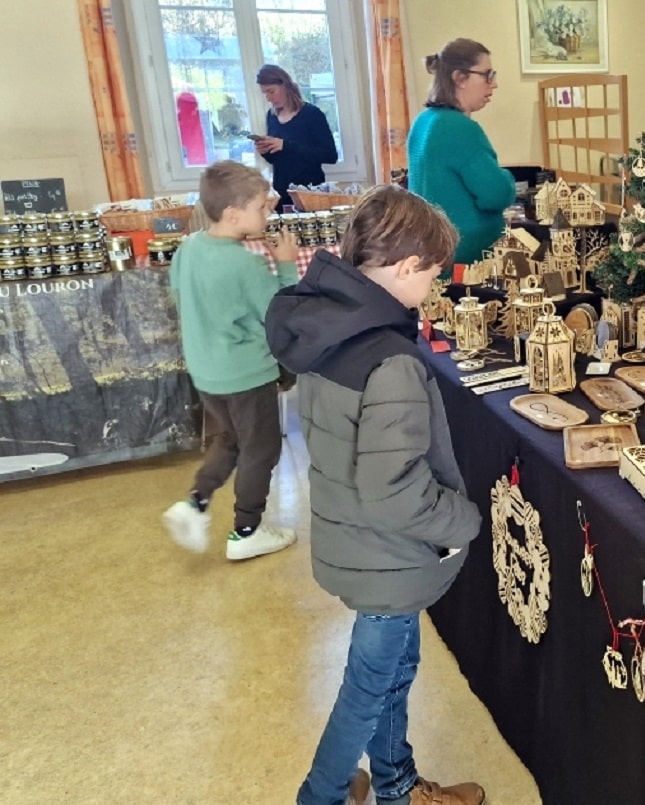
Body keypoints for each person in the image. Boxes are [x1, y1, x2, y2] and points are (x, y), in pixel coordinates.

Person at [264, 185, 486, 805]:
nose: (433, 289)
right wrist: (462, 520)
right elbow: (395, 491)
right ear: (408, 266)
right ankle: (321, 795)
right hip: (388, 551)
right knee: (366, 692)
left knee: (391, 673)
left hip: (355, 538)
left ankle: (398, 785)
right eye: (433, 276)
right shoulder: (390, 361)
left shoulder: (325, 326)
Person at [162, 161, 300, 560]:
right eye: (261, 207)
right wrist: (286, 265)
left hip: (207, 373)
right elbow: (279, 313)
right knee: (262, 449)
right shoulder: (244, 262)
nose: (268, 214)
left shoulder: (188, 248)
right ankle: (246, 530)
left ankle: (196, 502)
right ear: (233, 213)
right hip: (246, 375)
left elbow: (179, 294)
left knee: (232, 439)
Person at [407, 38, 516, 269]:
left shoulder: (423, 121)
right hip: (467, 260)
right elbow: (497, 194)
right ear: (459, 78)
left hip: (432, 253)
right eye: (487, 75)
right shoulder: (460, 128)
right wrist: (507, 177)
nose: (494, 84)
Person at [255, 64, 338, 210]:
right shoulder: (271, 116)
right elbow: (279, 161)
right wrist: (265, 152)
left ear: (285, 85)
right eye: (265, 93)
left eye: (271, 91)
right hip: (282, 194)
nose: (268, 98)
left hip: (309, 194)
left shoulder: (312, 114)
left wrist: (286, 145)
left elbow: (330, 155)